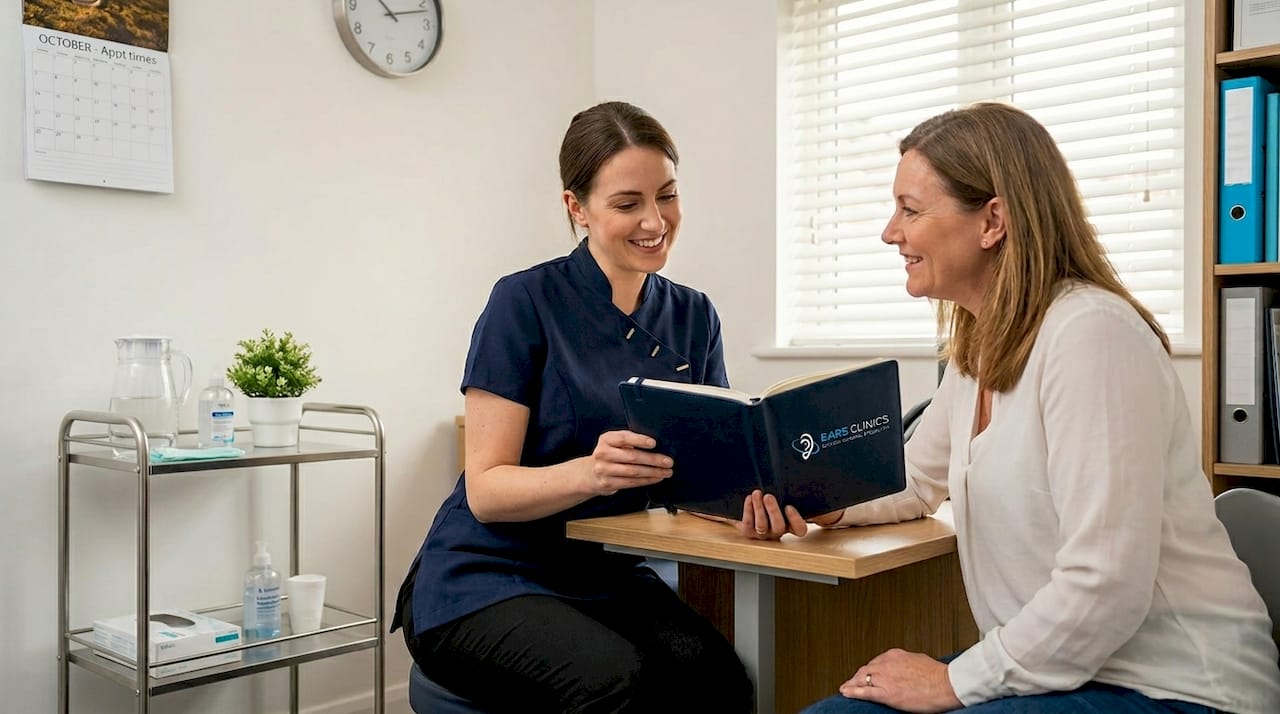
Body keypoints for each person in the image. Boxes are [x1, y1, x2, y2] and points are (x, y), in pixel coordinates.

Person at [751, 102, 1280, 714]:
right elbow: (914, 481)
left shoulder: (1092, 336)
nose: (891, 232)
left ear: (992, 221)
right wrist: (824, 499)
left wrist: (950, 683)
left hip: (1175, 686)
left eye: (910, 210)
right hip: (1057, 668)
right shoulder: (981, 344)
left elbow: (1105, 582)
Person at [390, 100, 753, 713]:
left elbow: (708, 470)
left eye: (667, 196)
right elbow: (486, 490)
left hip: (604, 574)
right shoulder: (523, 301)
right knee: (617, 683)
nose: (655, 220)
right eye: (627, 203)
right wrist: (592, 472)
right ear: (576, 208)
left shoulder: (694, 315)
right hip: (486, 577)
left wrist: (760, 491)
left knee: (717, 680)